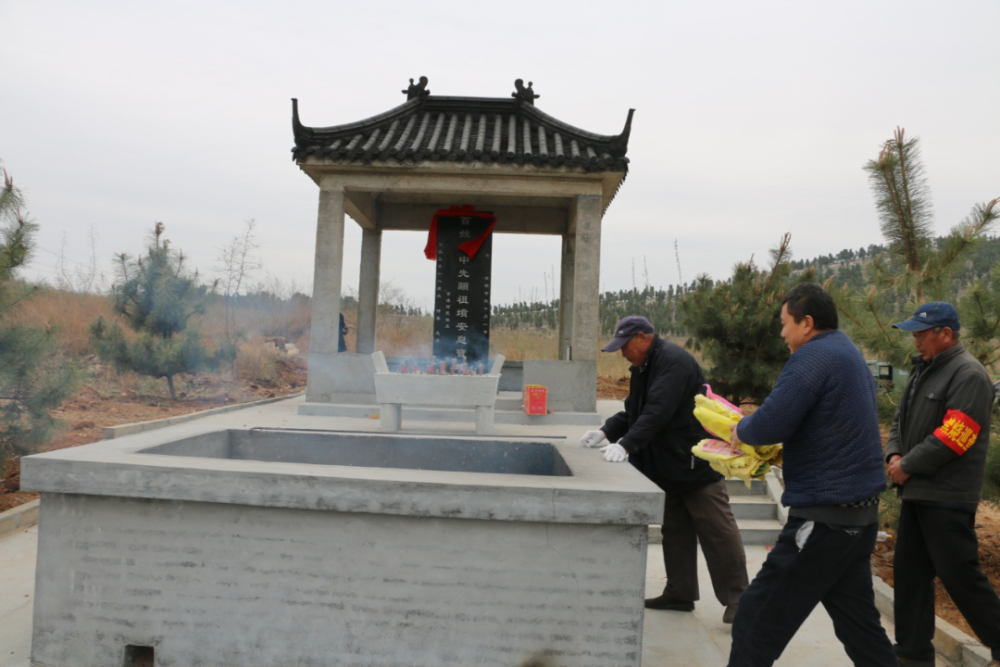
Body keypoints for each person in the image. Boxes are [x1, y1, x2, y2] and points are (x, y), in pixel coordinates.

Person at [726, 283, 895, 667]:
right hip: (859, 519)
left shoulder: (813, 357)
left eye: (785, 323)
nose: (782, 333)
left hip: (825, 520)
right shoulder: (847, 351)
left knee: (755, 617)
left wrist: (741, 430)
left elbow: (773, 422)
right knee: (861, 629)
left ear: (807, 323)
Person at [580, 315, 748, 624]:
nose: (623, 354)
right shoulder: (643, 367)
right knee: (675, 531)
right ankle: (680, 593)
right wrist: (606, 432)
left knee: (717, 532)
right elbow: (635, 410)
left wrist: (627, 444)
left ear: (643, 338)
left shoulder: (674, 362)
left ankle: (740, 601)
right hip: (666, 464)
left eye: (625, 346)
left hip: (694, 462)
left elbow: (658, 410)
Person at [886, 302, 1000, 667]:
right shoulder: (923, 372)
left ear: (947, 334)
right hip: (920, 491)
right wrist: (893, 455)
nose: (915, 341)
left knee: (959, 575)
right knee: (910, 573)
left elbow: (957, 435)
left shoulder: (968, 374)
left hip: (947, 495)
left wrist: (908, 466)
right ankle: (913, 652)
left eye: (921, 334)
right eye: (914, 334)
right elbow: (899, 421)